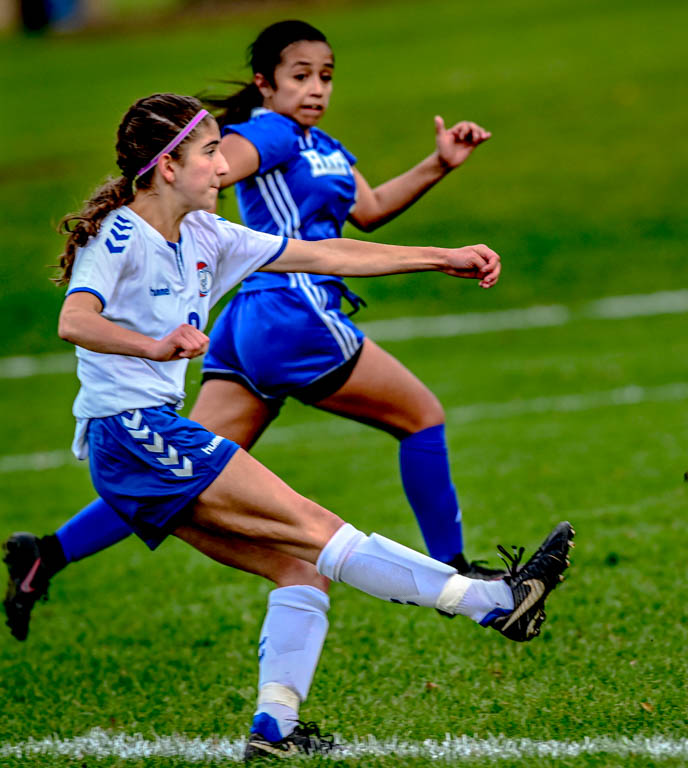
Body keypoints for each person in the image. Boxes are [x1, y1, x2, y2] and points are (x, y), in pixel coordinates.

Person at [29, 91, 574, 758]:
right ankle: (491, 601)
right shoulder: (119, 235)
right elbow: (73, 320)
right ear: (167, 167)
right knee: (318, 530)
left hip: (143, 443)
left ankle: (275, 731)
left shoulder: (207, 234)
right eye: (207, 155)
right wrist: (155, 345)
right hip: (136, 435)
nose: (221, 168)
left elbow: (327, 256)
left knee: (300, 570)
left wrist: (443, 256)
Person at [6, 20, 503, 642]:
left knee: (247, 529)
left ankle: (49, 555)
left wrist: (439, 211)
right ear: (265, 84)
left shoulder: (284, 174)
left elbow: (347, 233)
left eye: (326, 76)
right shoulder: (257, 140)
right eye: (301, 76)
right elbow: (77, 316)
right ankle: (471, 587)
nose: (317, 89)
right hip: (265, 334)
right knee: (383, 457)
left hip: (208, 367)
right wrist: (156, 333)